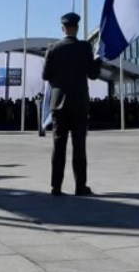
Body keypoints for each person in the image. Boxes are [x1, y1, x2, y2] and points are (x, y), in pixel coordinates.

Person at [41, 12, 101, 196]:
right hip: (79, 103)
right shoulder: (84, 48)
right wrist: (98, 60)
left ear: (63, 28)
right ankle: (80, 186)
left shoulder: (53, 48)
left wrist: (58, 84)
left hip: (58, 104)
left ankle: (56, 186)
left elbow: (45, 75)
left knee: (58, 146)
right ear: (77, 28)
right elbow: (93, 75)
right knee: (79, 146)